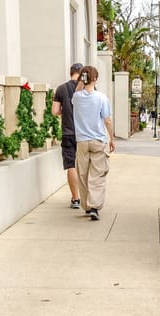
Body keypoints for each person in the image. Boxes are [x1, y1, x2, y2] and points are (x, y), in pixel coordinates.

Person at [72, 66, 115, 221]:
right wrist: (112, 138)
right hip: (98, 141)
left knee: (82, 174)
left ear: (82, 79)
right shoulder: (101, 98)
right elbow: (107, 120)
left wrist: (81, 80)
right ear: (95, 79)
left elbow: (77, 90)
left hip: (82, 141)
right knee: (97, 175)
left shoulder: (76, 97)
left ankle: (87, 206)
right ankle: (94, 207)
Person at [53, 63, 83, 209]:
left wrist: (64, 111)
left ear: (71, 73)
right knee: (84, 165)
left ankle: (75, 198)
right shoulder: (88, 88)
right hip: (84, 133)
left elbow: (55, 111)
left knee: (71, 165)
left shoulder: (61, 89)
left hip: (68, 132)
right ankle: (87, 197)